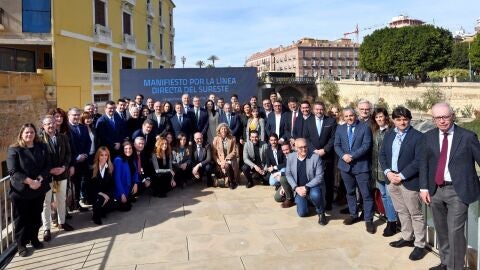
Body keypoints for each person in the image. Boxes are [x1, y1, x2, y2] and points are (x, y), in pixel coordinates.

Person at [420, 103, 480, 270]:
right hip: (435, 190)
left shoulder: (468, 137)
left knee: (455, 233)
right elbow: (423, 164)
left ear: (452, 115)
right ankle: (446, 263)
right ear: (433, 119)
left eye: (445, 116)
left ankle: (456, 267)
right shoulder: (428, 137)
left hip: (458, 191)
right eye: (438, 118)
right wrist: (424, 188)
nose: (442, 121)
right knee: (442, 230)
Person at [380, 106, 426, 261]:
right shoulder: (389, 135)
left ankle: (419, 244)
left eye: (405, 119)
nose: (402, 122)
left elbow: (419, 160)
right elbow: (382, 155)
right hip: (391, 179)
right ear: (393, 120)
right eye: (398, 119)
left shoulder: (418, 137)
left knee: (416, 214)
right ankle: (407, 237)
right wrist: (387, 172)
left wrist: (402, 175)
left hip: (409, 181)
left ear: (409, 120)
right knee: (401, 211)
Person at [7, 123, 51, 257]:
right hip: (21, 191)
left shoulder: (42, 146)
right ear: (21, 134)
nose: (29, 135)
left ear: (35, 134)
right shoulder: (14, 149)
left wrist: (39, 179)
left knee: (36, 217)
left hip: (38, 189)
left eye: (32, 132)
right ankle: (21, 244)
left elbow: (47, 165)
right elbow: (13, 171)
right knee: (21, 219)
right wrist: (30, 182)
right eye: (26, 132)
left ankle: (34, 238)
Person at [334, 107, 375, 234]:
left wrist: (352, 156)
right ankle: (353, 215)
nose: (349, 118)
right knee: (350, 192)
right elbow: (337, 145)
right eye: (346, 116)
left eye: (351, 115)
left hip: (361, 166)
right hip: (345, 167)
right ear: (343, 117)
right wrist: (343, 156)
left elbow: (366, 145)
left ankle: (368, 219)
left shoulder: (364, 127)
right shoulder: (340, 128)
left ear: (355, 115)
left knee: (366, 194)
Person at [39, 116, 73, 243]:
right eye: (47, 124)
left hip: (61, 175)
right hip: (47, 177)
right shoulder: (39, 140)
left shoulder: (63, 137)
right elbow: (38, 159)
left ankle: (62, 222)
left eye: (52, 123)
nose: (51, 126)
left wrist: (64, 167)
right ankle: (46, 229)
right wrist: (49, 170)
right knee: (46, 202)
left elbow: (69, 154)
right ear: (43, 125)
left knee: (60, 199)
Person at [303, 101, 337, 210]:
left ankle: (328, 203)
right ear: (313, 110)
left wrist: (325, 150)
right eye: (317, 109)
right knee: (314, 179)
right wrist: (314, 150)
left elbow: (333, 138)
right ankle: (314, 201)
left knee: (328, 180)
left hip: (327, 156)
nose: (319, 111)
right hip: (313, 156)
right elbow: (306, 138)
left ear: (324, 110)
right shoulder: (308, 121)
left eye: (321, 109)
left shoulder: (331, 121)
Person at [369, 107, 397, 237]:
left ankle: (392, 223)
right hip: (376, 169)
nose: (379, 119)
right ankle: (389, 218)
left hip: (388, 171)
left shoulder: (392, 131)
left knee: (390, 197)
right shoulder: (375, 131)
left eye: (381, 116)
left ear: (386, 117)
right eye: (377, 117)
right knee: (384, 196)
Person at [286, 138, 327, 225]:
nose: (304, 149)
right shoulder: (290, 157)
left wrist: (306, 187)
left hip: (312, 187)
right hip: (299, 189)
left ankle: (321, 212)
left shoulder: (315, 157)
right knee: (302, 213)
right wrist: (296, 188)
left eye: (305, 147)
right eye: (300, 147)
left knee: (315, 195)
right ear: (295, 148)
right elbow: (288, 174)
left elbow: (319, 177)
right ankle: (307, 202)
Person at [68, 107, 92, 211]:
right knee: (74, 183)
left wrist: (85, 154)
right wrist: (77, 156)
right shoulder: (66, 129)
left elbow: (88, 142)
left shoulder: (83, 127)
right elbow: (67, 146)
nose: (76, 117)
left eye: (78, 115)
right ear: (69, 116)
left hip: (84, 160)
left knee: (83, 181)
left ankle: (78, 202)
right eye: (74, 115)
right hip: (73, 161)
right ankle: (72, 204)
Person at [90, 147, 115, 225]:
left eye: (106, 155)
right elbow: (90, 187)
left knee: (112, 205)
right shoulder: (92, 169)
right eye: (101, 155)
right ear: (98, 156)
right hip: (95, 194)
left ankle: (101, 209)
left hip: (107, 194)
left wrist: (107, 194)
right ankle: (95, 215)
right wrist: (102, 194)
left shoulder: (110, 168)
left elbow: (111, 185)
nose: (104, 157)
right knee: (99, 200)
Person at [113, 141, 139, 211]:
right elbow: (117, 179)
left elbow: (135, 172)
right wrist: (122, 194)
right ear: (122, 149)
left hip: (129, 185)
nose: (128, 150)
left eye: (130, 148)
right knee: (125, 208)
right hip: (121, 188)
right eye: (126, 148)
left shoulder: (132, 158)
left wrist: (136, 183)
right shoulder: (118, 160)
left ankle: (129, 196)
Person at [212, 123, 238, 189]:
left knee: (227, 165)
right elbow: (214, 154)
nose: (223, 130)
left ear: (227, 130)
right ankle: (225, 178)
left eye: (225, 129)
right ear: (219, 130)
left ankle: (232, 182)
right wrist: (219, 162)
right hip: (220, 160)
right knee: (219, 166)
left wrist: (226, 159)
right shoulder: (216, 139)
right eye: (222, 129)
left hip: (230, 159)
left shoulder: (232, 138)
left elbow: (234, 151)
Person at [273, 142, 295, 208]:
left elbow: (293, 172)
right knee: (277, 198)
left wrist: (280, 173)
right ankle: (291, 194)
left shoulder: (294, 156)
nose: (285, 152)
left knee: (282, 178)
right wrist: (283, 186)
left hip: (296, 181)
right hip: (288, 181)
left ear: (290, 148)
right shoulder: (286, 157)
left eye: (287, 149)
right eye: (283, 150)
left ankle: (290, 199)